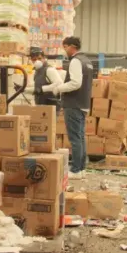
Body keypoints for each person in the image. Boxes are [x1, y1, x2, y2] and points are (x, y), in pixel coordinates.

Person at [45, 36, 93, 179]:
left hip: (73, 103)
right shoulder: (87, 61)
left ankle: (76, 169)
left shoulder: (76, 61)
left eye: (65, 47)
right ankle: (82, 168)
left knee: (75, 138)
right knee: (80, 137)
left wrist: (59, 88)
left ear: (72, 47)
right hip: (83, 103)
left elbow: (75, 83)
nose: (64, 50)